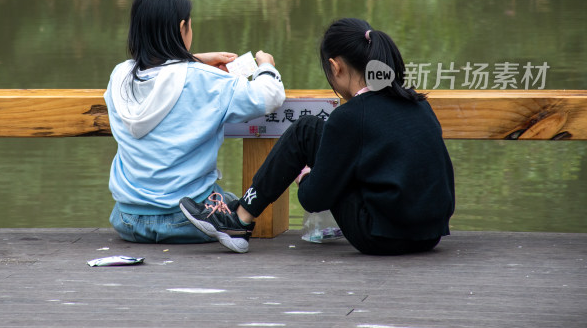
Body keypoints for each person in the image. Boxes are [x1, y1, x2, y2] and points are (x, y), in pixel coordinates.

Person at [180, 17, 456, 255]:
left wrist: (306, 173)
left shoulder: (350, 117)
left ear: (336, 67)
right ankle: (239, 216)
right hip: (429, 235)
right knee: (317, 136)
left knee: (306, 129)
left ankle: (240, 219)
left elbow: (313, 200)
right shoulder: (418, 104)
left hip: (380, 237)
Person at [105, 0, 285, 246]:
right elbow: (269, 96)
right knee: (237, 204)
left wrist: (192, 59)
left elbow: (160, 76)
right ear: (182, 29)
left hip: (128, 220)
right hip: (187, 220)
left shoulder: (119, 76)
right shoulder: (205, 80)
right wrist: (266, 65)